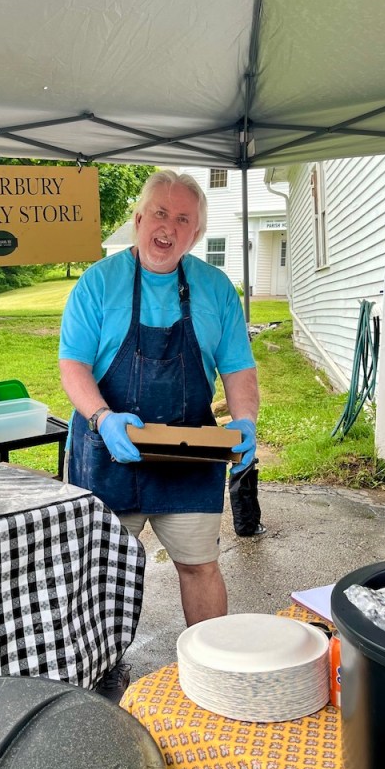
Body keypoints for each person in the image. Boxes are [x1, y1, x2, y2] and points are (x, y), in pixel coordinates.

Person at [59, 168, 259, 699]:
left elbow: (238, 368)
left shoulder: (216, 289)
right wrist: (103, 418)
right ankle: (96, 680)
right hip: (110, 451)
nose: (168, 227)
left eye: (184, 219)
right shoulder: (98, 282)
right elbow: (72, 367)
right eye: (160, 214)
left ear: (195, 233)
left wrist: (246, 421)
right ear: (139, 220)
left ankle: (214, 667)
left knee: (199, 565)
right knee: (102, 575)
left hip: (190, 454)